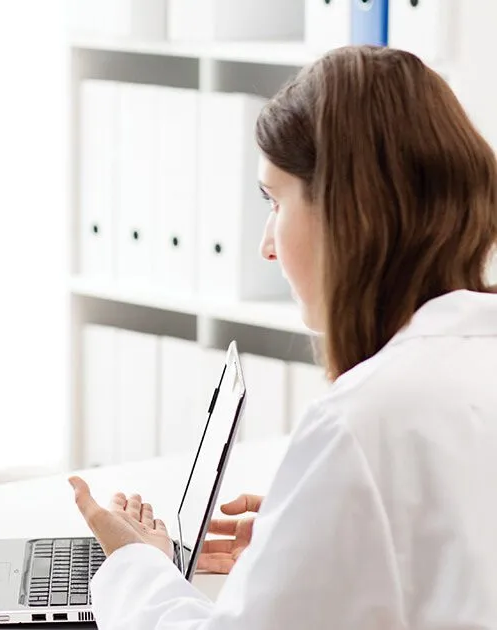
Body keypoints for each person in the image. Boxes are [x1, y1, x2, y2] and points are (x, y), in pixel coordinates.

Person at [69, 45, 497, 629]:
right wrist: (324, 534)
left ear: (351, 214)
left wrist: (135, 565)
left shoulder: (363, 422)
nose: (266, 245)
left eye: (275, 201)